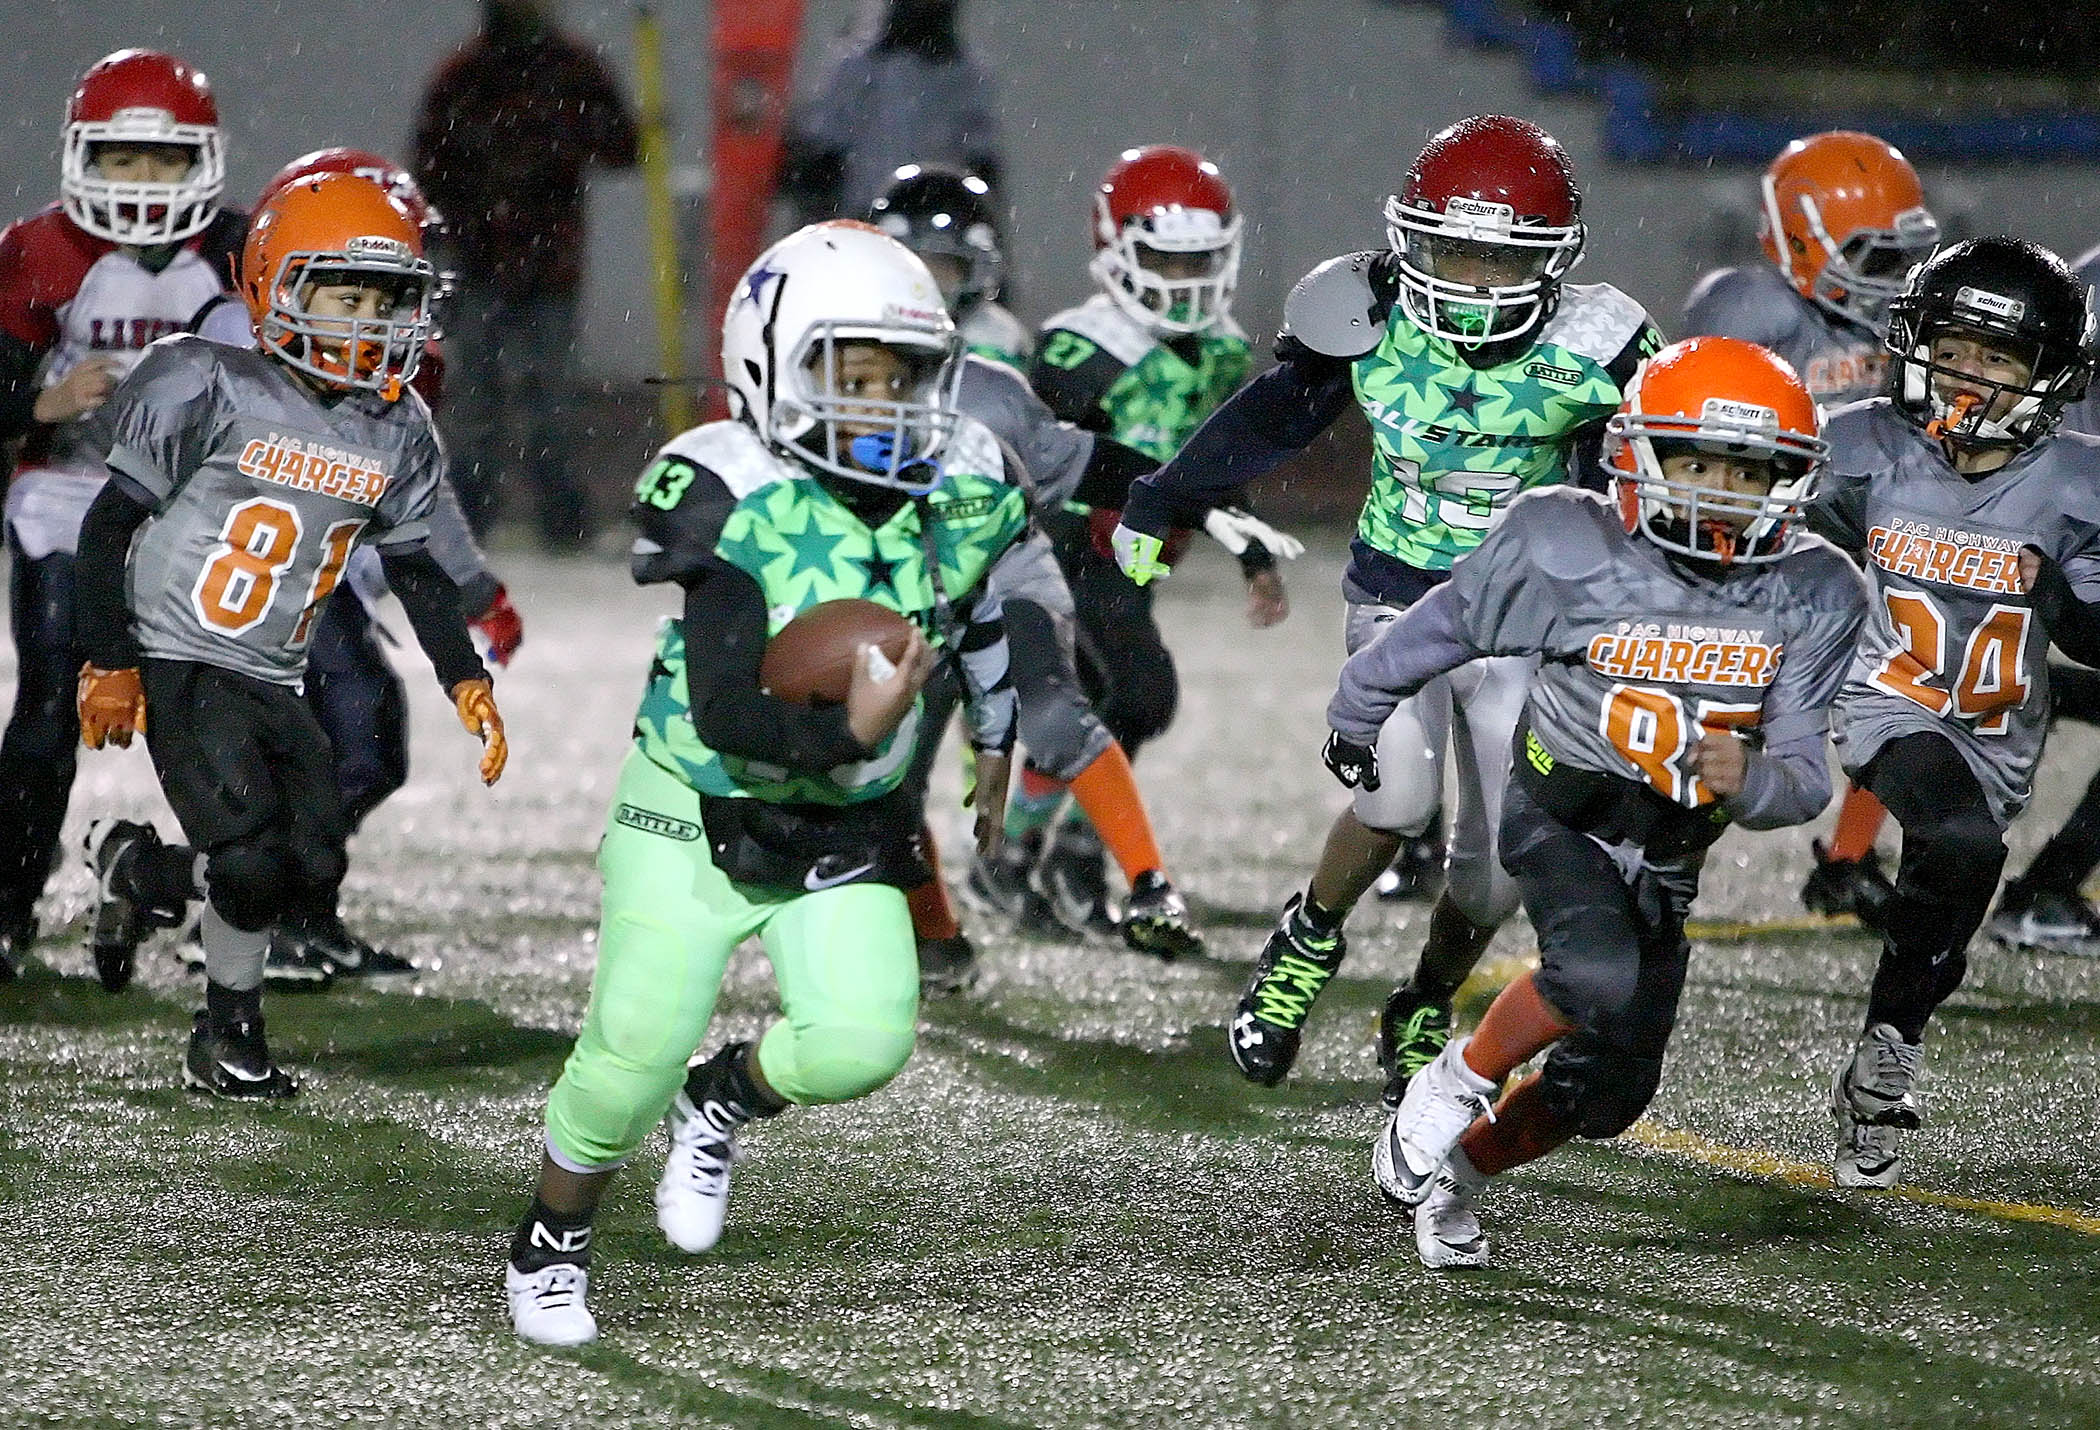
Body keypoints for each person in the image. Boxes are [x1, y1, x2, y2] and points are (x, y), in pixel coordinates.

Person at [503, 222, 1025, 1346]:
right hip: (693, 806)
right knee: (627, 1057)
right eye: (855, 377)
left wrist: (996, 734)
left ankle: (725, 1095)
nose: (885, 405)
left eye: (903, 379)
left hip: (843, 822)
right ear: (770, 365)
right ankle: (552, 1235)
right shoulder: (730, 488)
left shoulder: (960, 485)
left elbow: (976, 613)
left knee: (862, 1039)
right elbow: (730, 710)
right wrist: (853, 727)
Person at [1114, 115, 1661, 1103]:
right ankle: (1307, 934)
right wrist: (1166, 491)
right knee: (1394, 798)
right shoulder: (1368, 311)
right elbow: (1267, 418)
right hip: (1399, 595)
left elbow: (1650, 479)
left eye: (1501, 261)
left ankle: (1423, 996)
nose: (1472, 280)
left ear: (1553, 263)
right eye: (1452, 249)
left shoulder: (1600, 346)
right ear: (1410, 239)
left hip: (1522, 617)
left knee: (1494, 873)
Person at [1355, 337, 1864, 1268]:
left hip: (1669, 851)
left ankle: (1458, 1179)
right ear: (1637, 454)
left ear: (1789, 482)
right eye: (1697, 460)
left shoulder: (1816, 589)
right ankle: (1456, 1077)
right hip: (1562, 809)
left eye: (1746, 471)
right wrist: (1361, 701)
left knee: (1607, 1094)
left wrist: (1748, 781)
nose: (1717, 488)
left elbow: (1802, 779)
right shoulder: (1566, 540)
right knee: (1593, 974)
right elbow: (1446, 627)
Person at [71, 172, 507, 1096]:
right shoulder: (207, 378)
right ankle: (227, 1038)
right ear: (276, 283)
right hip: (182, 651)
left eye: (387, 300)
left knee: (304, 860)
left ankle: (135, 868)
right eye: (345, 294)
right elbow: (108, 525)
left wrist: (463, 674)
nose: (366, 321)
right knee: (253, 859)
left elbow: (417, 566)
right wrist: (111, 660)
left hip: (274, 668)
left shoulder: (396, 427)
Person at [176, 145, 525, 982]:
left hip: (325, 578)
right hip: (252, 580)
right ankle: (237, 904)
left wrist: (471, 588)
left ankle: (292, 905)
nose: (374, 309)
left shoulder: (383, 360)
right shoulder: (227, 343)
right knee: (340, 744)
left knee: (364, 748)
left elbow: (416, 492)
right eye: (349, 284)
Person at [1805, 237, 2100, 1189]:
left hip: (2003, 724)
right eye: (1953, 345)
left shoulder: (2076, 484)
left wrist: (2052, 594)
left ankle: (1886, 1046)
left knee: (1948, 909)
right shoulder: (1859, 444)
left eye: (1998, 356)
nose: (1967, 373)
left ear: (2049, 375)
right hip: (1889, 699)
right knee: (1962, 843)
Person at [0, 48, 245, 984]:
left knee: (225, 715)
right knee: (48, 709)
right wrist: (39, 404)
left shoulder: (237, 249)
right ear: (80, 159)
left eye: (164, 161)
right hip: (67, 501)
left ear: (203, 163)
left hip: (195, 511)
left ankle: (228, 900)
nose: (142, 184)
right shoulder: (39, 253)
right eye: (121, 160)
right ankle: (11, 895)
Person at [1028, 142, 1288, 937]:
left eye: (1198, 262)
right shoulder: (1077, 349)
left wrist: (1252, 552)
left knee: (1081, 704)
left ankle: (1019, 858)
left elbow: (1212, 460)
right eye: (1165, 263)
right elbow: (1036, 466)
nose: (1183, 283)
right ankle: (1069, 856)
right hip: (1062, 550)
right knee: (1136, 694)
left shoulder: (1218, 348)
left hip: (1134, 558)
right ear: (1115, 249)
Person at [1683, 130, 1941, 929]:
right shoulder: (1751, 308)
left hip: (1862, 541)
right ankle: (1665, 852)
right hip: (1764, 544)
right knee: (1726, 708)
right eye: (1875, 260)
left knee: (1915, 679)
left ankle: (1849, 859)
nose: (1897, 283)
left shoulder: (1897, 325)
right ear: (1802, 242)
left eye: (1906, 259)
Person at [411, 0, 638, 549]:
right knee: (477, 403)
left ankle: (559, 520)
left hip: (546, 269)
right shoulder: (466, 74)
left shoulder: (571, 71)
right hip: (483, 266)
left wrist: (549, 153)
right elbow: (428, 165)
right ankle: (470, 520)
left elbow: (622, 147)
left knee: (548, 405)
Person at [780, 0, 1004, 227]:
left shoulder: (967, 76)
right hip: (857, 220)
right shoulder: (858, 65)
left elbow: (980, 158)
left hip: (929, 225)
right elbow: (822, 150)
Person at [868, 162, 1028, 365]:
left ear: (974, 272)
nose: (930, 283)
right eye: (920, 264)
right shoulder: (855, 316)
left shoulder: (998, 338)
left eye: (943, 267)